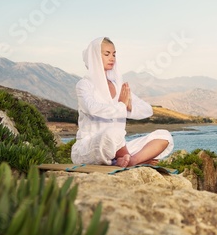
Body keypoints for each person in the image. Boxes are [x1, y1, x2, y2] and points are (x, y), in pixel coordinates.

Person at [71, 37, 174, 167]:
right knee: (113, 133)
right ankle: (129, 158)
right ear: (95, 56)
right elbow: (91, 108)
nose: (112, 58)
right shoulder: (84, 85)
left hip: (119, 148)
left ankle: (131, 160)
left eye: (114, 54)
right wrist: (121, 106)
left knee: (164, 136)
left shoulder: (119, 86)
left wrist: (129, 106)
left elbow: (148, 110)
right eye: (107, 54)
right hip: (90, 147)